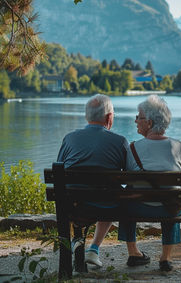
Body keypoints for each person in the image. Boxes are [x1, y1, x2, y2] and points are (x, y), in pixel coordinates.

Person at [57, 94, 129, 268]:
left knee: (83, 191)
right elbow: (129, 175)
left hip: (73, 205)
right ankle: (94, 248)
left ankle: (77, 242)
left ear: (87, 116)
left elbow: (59, 170)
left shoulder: (69, 139)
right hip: (107, 206)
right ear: (109, 117)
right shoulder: (119, 142)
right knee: (113, 192)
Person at [118, 95, 181, 272]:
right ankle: (166, 258)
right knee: (174, 195)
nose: (135, 121)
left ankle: (133, 253)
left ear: (148, 123)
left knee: (126, 198)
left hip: (138, 208)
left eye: (138, 117)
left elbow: (126, 180)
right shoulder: (178, 146)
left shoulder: (132, 148)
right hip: (168, 209)